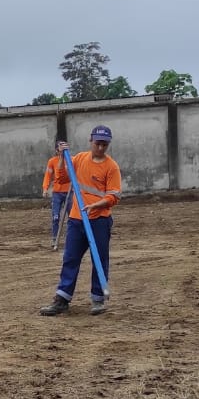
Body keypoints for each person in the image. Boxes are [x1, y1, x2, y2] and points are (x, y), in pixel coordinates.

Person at [39, 125, 120, 316]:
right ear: (91, 141)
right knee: (70, 258)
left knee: (99, 259)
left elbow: (114, 196)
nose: (100, 147)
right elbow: (62, 177)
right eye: (97, 143)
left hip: (99, 220)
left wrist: (97, 205)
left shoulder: (111, 167)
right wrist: (62, 157)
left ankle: (98, 299)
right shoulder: (80, 159)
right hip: (77, 219)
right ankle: (62, 299)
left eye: (104, 144)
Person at [41, 140, 72, 250]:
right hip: (57, 193)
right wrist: (45, 188)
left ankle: (71, 239)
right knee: (55, 217)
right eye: (60, 148)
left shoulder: (72, 160)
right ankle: (55, 238)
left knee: (72, 217)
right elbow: (48, 175)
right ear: (56, 150)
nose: (62, 150)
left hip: (69, 192)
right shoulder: (52, 161)